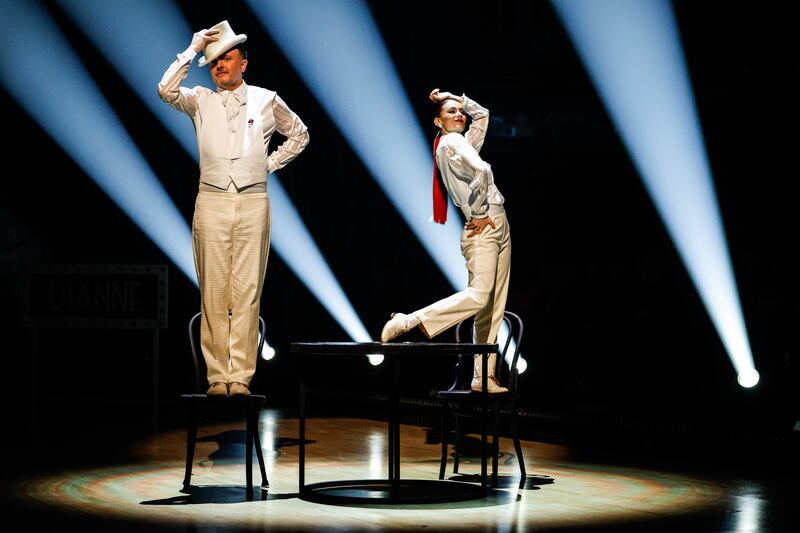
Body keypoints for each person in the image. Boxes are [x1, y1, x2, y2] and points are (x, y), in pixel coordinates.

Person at [158, 20, 309, 397]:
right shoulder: (200, 99)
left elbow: (301, 134)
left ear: (244, 62)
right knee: (213, 289)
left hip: (253, 199)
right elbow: (164, 89)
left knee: (246, 290)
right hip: (211, 198)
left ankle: (239, 377)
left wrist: (268, 164)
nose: (219, 65)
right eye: (213, 62)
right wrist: (192, 50)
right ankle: (216, 378)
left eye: (227, 58)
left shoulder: (266, 98)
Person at [381, 89, 511, 393]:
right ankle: (408, 320)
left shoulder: (459, 143)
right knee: (480, 297)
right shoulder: (451, 143)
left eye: (459, 111)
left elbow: (483, 115)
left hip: (496, 222)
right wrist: (479, 211)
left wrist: (459, 98)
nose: (459, 115)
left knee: (491, 306)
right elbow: (483, 169)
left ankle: (483, 376)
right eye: (451, 111)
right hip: (485, 224)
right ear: (438, 121)